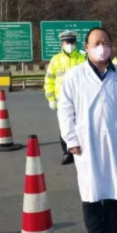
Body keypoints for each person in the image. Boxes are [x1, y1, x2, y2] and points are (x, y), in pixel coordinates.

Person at [58, 27, 117, 233]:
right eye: (96, 43)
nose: (101, 47)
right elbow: (65, 111)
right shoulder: (74, 76)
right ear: (86, 47)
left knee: (115, 190)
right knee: (91, 191)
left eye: (105, 43)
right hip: (87, 142)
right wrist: (70, 139)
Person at [45, 30, 86, 165]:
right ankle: (67, 153)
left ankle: (84, 151)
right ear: (62, 43)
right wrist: (51, 99)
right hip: (62, 100)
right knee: (65, 126)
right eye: (67, 42)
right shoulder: (55, 60)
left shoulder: (83, 58)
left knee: (82, 126)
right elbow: (49, 80)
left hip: (81, 100)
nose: (70, 44)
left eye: (72, 42)